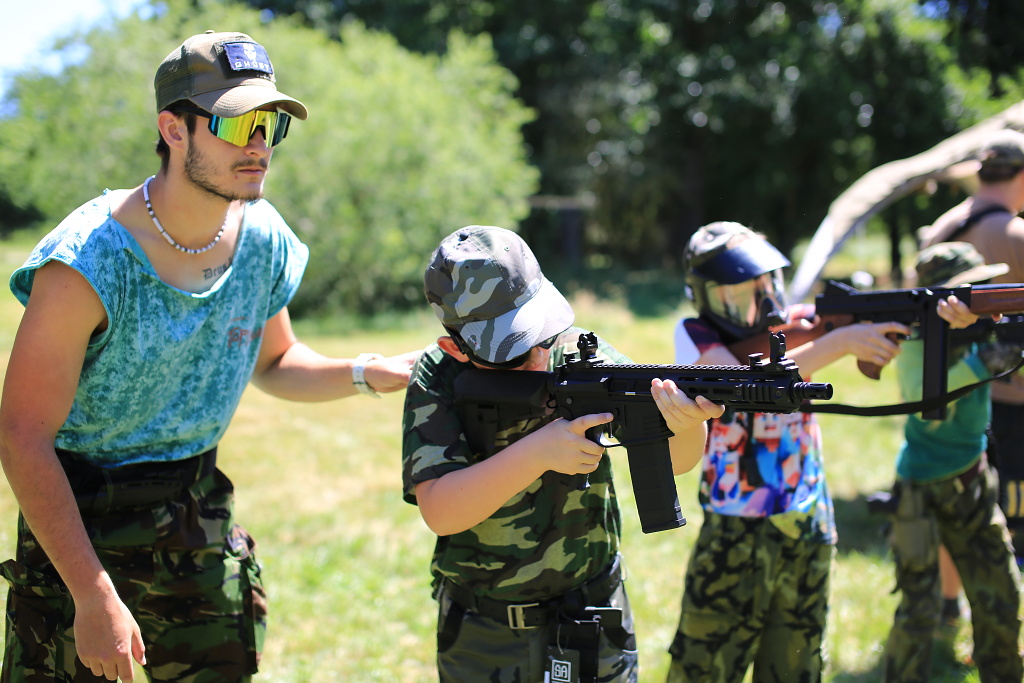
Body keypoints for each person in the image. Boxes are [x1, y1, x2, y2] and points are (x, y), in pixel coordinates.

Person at [0, 31, 418, 683]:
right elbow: (23, 435)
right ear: (174, 128)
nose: (258, 144)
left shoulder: (262, 239)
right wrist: (90, 592)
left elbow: (276, 361)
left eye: (270, 123)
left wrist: (367, 373)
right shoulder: (85, 262)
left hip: (197, 513)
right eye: (237, 121)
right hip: (80, 525)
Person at [402, 225, 721, 682]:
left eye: (541, 335)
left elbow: (678, 460)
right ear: (455, 346)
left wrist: (686, 423)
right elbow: (441, 510)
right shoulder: (439, 377)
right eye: (510, 352)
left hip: (591, 614)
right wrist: (537, 453)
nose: (536, 357)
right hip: (485, 633)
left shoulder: (581, 355)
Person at [664, 222, 978, 683]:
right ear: (704, 296)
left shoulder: (803, 322)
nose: (763, 303)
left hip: (809, 520)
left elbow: (886, 314)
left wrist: (944, 317)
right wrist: (835, 346)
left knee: (798, 664)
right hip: (736, 529)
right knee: (704, 667)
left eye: (767, 287)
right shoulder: (693, 334)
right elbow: (736, 384)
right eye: (739, 294)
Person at [881, 241, 1023, 683]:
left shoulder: (983, 332)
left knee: (1001, 594)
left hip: (974, 481)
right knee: (918, 610)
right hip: (920, 489)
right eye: (967, 290)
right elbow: (926, 405)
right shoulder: (916, 344)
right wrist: (983, 363)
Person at [919, 128, 1024, 566]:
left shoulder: (942, 228)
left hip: (955, 385)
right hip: (1014, 391)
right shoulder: (1016, 234)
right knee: (1016, 494)